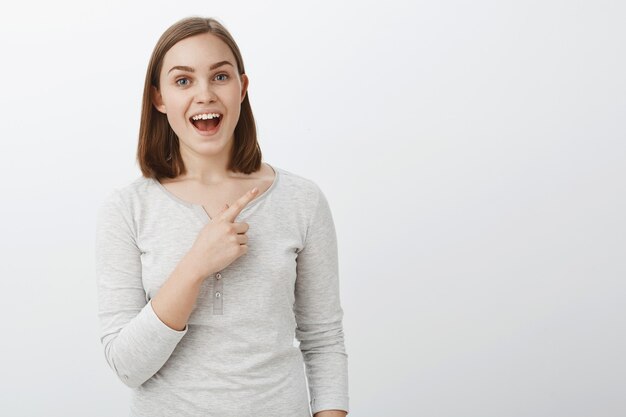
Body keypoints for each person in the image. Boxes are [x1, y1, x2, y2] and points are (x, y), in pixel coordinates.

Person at [94, 16, 349, 417]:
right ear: (159, 98)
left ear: (242, 88)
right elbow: (128, 366)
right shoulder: (126, 210)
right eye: (183, 81)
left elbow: (323, 340)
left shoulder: (302, 200)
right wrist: (195, 265)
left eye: (220, 77)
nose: (204, 94)